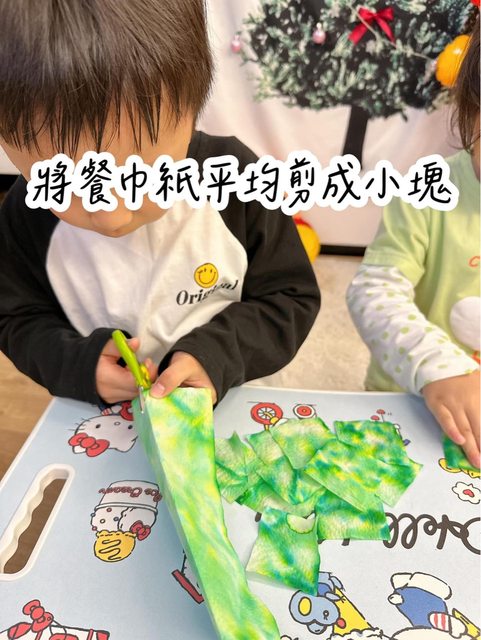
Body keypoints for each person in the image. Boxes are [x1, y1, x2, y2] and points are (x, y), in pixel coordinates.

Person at [0, 0, 320, 407]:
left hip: (235, 400)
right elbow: (15, 317)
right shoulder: (25, 215)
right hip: (105, 416)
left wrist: (218, 355)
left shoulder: (237, 179)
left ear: (191, 112)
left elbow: (290, 299)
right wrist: (77, 364)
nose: (111, 216)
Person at [347, 17, 480, 468]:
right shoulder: (425, 189)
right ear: (470, 110)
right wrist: (440, 367)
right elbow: (373, 291)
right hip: (408, 401)